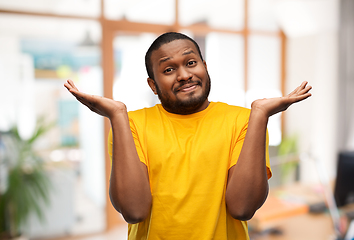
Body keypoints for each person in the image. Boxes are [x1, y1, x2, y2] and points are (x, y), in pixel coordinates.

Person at [64, 32, 312, 240]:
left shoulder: (244, 121)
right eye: (169, 69)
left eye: (191, 63)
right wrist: (117, 115)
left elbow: (242, 207)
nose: (184, 75)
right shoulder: (132, 125)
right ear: (153, 85)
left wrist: (260, 114)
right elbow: (134, 211)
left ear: (204, 66)